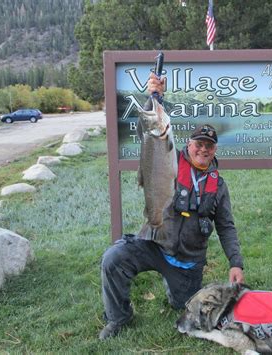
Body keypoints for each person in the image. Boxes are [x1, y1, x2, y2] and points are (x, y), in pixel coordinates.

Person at [99, 74, 244, 340]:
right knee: (113, 259)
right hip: (153, 243)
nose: (203, 149)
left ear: (214, 150)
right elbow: (149, 131)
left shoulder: (219, 186)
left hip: (187, 260)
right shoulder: (170, 157)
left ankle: (173, 285)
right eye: (198, 144)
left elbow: (226, 227)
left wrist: (236, 262)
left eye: (209, 146)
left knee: (183, 306)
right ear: (187, 144)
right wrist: (154, 97)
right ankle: (118, 317)